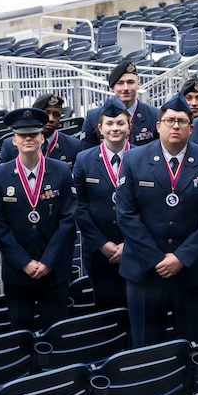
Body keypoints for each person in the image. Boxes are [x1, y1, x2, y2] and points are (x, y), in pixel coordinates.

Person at [117, 94, 198, 346]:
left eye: (181, 121)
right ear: (158, 126)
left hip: (192, 269)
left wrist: (181, 258)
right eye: (169, 121)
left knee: (190, 344)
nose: (175, 126)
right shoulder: (133, 160)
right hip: (145, 270)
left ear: (192, 127)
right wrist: (157, 259)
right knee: (145, 346)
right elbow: (126, 215)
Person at [0, 107, 78, 332]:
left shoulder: (61, 170)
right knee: (20, 333)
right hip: (18, 271)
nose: (28, 138)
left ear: (42, 137)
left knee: (56, 332)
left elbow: (67, 219)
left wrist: (47, 261)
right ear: (13, 140)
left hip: (54, 269)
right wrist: (24, 262)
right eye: (22, 134)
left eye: (34, 133)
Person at [72, 98, 132, 310]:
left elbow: (148, 206)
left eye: (120, 123)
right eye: (109, 123)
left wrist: (129, 243)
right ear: (100, 128)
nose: (115, 128)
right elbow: (79, 206)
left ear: (129, 126)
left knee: (134, 307)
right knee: (104, 308)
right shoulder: (83, 160)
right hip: (98, 250)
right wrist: (102, 244)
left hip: (135, 248)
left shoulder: (143, 157)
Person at [82, 59, 159, 149]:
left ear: (138, 84)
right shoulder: (93, 117)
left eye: (130, 82)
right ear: (111, 87)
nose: (125, 88)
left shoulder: (155, 115)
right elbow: (86, 154)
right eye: (120, 83)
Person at [1, 94, 82, 166]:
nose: (51, 119)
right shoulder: (10, 146)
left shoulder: (73, 146)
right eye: (46, 114)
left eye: (56, 115)